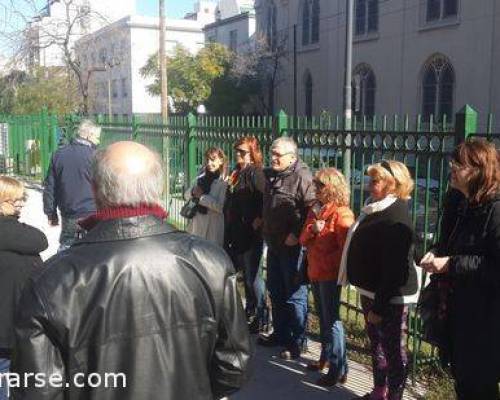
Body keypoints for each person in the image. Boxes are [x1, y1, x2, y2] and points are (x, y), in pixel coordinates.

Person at [12, 141, 251, 400]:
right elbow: (234, 366)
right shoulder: (210, 262)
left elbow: (36, 389)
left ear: (95, 189)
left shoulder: (51, 280)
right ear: (157, 188)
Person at [420, 139, 500, 400]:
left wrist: (452, 264)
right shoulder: (459, 201)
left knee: (478, 385)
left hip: (485, 317)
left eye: (459, 164)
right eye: (452, 162)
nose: (452, 168)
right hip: (457, 308)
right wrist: (437, 251)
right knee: (464, 381)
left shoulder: (495, 210)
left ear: (478, 170)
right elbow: (450, 242)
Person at [339, 160, 418, 400]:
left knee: (394, 350)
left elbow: (394, 270)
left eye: (375, 181)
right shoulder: (373, 206)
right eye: (370, 180)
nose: (368, 185)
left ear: (394, 185)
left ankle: (395, 395)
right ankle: (379, 389)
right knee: (377, 344)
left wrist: (380, 307)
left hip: (389, 296)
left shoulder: (396, 216)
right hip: (370, 289)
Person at [259, 137, 316, 360]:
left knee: (295, 295)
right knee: (276, 290)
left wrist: (297, 233)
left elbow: (313, 209)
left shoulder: (302, 176)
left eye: (278, 155)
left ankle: (297, 341)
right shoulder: (272, 174)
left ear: (292, 157)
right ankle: (281, 334)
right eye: (271, 153)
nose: (273, 157)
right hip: (273, 243)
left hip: (292, 247)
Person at [299, 168, 354, 386]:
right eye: (316, 184)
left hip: (329, 275)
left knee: (332, 320)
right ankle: (326, 357)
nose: (316, 189)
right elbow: (303, 239)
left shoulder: (342, 214)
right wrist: (313, 229)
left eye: (321, 185)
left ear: (332, 187)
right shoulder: (315, 210)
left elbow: (345, 251)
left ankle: (338, 367)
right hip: (315, 271)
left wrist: (325, 261)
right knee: (323, 317)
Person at [0, 176, 48, 400]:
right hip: (9, 329)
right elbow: (39, 240)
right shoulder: (14, 234)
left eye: (22, 198)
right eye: (15, 200)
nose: (21, 204)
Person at [225, 137, 266, 333]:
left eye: (243, 151)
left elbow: (264, 197)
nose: (238, 154)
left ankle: (262, 315)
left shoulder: (255, 172)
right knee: (245, 275)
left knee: (252, 276)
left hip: (251, 232)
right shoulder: (237, 172)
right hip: (237, 231)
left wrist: (259, 217)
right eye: (237, 151)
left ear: (252, 153)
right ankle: (251, 311)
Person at [43, 119, 101, 250]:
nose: (98, 141)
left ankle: (64, 269)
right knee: (94, 248)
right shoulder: (96, 157)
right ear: (89, 136)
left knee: (67, 246)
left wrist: (50, 212)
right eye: (97, 137)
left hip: (69, 212)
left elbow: (50, 187)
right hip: (93, 211)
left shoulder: (58, 155)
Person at [184, 147, 228, 247]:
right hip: (197, 225)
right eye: (207, 159)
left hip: (213, 229)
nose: (209, 163)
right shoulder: (200, 178)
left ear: (220, 161)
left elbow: (220, 207)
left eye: (212, 159)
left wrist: (201, 197)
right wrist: (192, 192)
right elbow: (186, 195)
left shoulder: (223, 182)